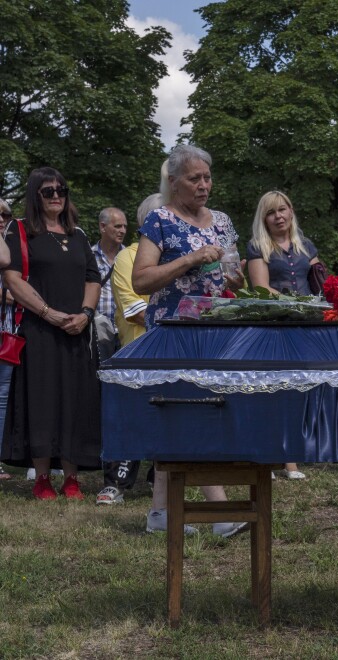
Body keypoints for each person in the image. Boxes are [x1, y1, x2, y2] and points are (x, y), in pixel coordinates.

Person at [132, 145, 248, 537]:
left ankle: (160, 514)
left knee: (182, 415)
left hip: (216, 330)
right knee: (189, 412)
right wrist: (189, 259)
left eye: (207, 177)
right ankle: (220, 512)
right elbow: (141, 280)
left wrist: (236, 280)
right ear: (173, 181)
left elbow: (235, 273)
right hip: (174, 333)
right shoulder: (159, 220)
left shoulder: (223, 221)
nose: (204, 185)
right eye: (195, 178)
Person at [0, 167, 100, 500]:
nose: (56, 195)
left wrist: (84, 314)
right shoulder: (21, 230)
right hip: (38, 329)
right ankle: (42, 478)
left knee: (74, 400)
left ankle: (72, 478)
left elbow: (92, 278)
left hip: (75, 329)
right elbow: (13, 278)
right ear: (35, 195)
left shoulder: (79, 235)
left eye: (61, 189)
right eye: (48, 191)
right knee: (41, 401)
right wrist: (48, 313)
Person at [94, 194, 164, 505]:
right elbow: (135, 309)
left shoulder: (177, 256)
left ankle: (159, 480)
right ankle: (117, 483)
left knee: (167, 417)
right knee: (131, 417)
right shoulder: (128, 257)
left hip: (174, 352)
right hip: (139, 352)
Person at [247, 190, 320, 480]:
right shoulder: (256, 246)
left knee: (301, 388)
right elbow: (261, 289)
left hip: (306, 327)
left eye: (283, 209)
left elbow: (319, 282)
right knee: (276, 388)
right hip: (274, 326)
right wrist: (296, 302)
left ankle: (295, 455)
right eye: (271, 212)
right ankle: (277, 459)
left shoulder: (307, 245)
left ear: (291, 212)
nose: (278, 216)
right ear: (263, 218)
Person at [91, 207, 127, 360]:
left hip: (126, 330)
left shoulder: (130, 258)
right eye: (118, 226)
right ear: (102, 227)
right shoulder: (88, 256)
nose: (123, 231)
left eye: (125, 226)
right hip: (99, 331)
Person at [0, 199, 13, 481]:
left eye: (5, 215)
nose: (2, 219)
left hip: (7, 331)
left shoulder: (9, 241)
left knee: (2, 397)